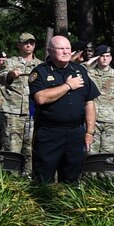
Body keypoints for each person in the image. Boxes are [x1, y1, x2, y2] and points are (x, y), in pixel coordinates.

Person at [28, 34, 101, 185]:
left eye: (68, 48)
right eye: (61, 48)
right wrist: (68, 86)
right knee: (43, 179)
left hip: (75, 133)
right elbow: (40, 98)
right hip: (49, 133)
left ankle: (67, 208)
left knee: (72, 180)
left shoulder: (79, 71)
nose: (66, 51)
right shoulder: (41, 71)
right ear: (50, 51)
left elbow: (89, 102)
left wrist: (89, 132)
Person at [0, 33, 40, 164]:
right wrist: (11, 74)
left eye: (31, 43)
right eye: (25, 42)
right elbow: (1, 76)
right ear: (19, 45)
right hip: (14, 113)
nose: (28, 45)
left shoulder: (40, 65)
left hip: (33, 114)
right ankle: (12, 179)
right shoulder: (10, 62)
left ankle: (29, 179)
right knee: (12, 149)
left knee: (31, 149)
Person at [83, 45, 114, 154]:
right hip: (93, 121)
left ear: (111, 58)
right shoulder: (89, 74)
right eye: (102, 56)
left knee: (108, 155)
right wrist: (90, 61)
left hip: (112, 122)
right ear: (97, 57)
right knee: (90, 154)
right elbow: (78, 70)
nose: (105, 59)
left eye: (108, 56)